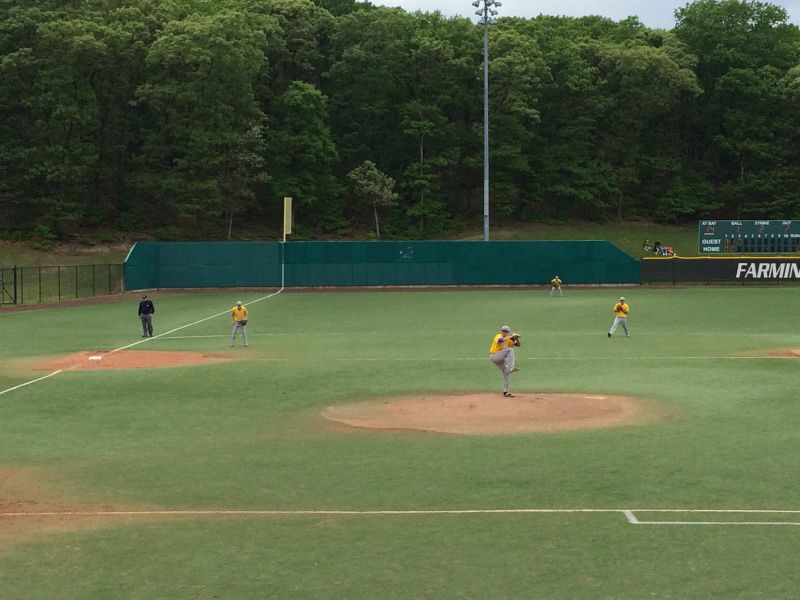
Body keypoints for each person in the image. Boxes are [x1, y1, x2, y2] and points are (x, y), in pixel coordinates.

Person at [489, 325, 521, 397]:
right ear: (501, 331)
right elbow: (500, 340)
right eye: (503, 331)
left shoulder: (508, 340)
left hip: (500, 358)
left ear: (508, 332)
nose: (504, 332)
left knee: (506, 372)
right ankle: (511, 367)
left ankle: (506, 392)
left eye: (506, 331)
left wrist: (515, 338)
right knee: (510, 350)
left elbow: (518, 345)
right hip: (494, 356)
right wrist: (510, 337)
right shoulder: (498, 336)